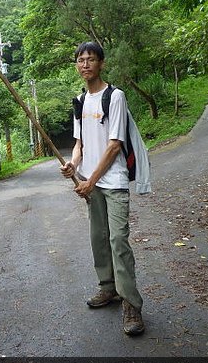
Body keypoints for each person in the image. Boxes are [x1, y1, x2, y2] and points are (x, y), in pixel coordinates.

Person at [60, 41, 145, 336]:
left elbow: (114, 146)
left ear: (101, 63)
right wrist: (73, 165)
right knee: (98, 239)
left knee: (118, 242)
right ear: (77, 65)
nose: (85, 64)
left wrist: (90, 181)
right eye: (81, 60)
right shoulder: (79, 101)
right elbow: (80, 144)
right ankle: (108, 288)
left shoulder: (115, 96)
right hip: (90, 183)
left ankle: (131, 304)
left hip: (113, 182)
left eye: (91, 59)